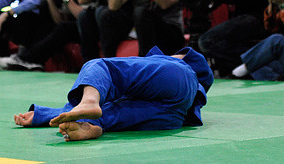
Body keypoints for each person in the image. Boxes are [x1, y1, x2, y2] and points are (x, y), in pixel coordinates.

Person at [13, 46, 213, 141]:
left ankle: (89, 101)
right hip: (177, 116)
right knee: (111, 113)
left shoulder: (178, 62)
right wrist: (43, 115)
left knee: (104, 67)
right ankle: (90, 126)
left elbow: (108, 75)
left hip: (182, 76)